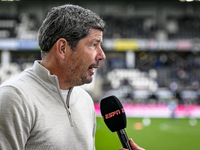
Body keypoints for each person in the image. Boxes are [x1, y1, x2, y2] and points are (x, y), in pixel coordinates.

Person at [0, 4, 144, 150]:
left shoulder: (85, 100)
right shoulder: (14, 98)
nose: (102, 55)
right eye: (94, 45)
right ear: (63, 48)